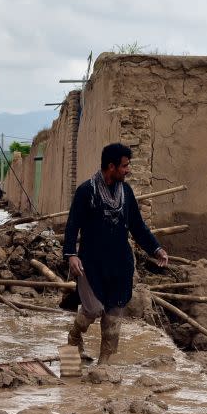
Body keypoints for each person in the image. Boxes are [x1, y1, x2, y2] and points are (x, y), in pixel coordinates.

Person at [63, 142, 168, 364]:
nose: (128, 170)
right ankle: (73, 339)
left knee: (113, 318)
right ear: (111, 167)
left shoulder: (126, 193)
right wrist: (71, 255)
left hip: (120, 265)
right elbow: (72, 225)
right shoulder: (86, 191)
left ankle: (102, 366)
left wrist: (156, 248)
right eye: (125, 166)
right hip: (91, 264)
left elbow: (138, 227)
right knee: (92, 310)